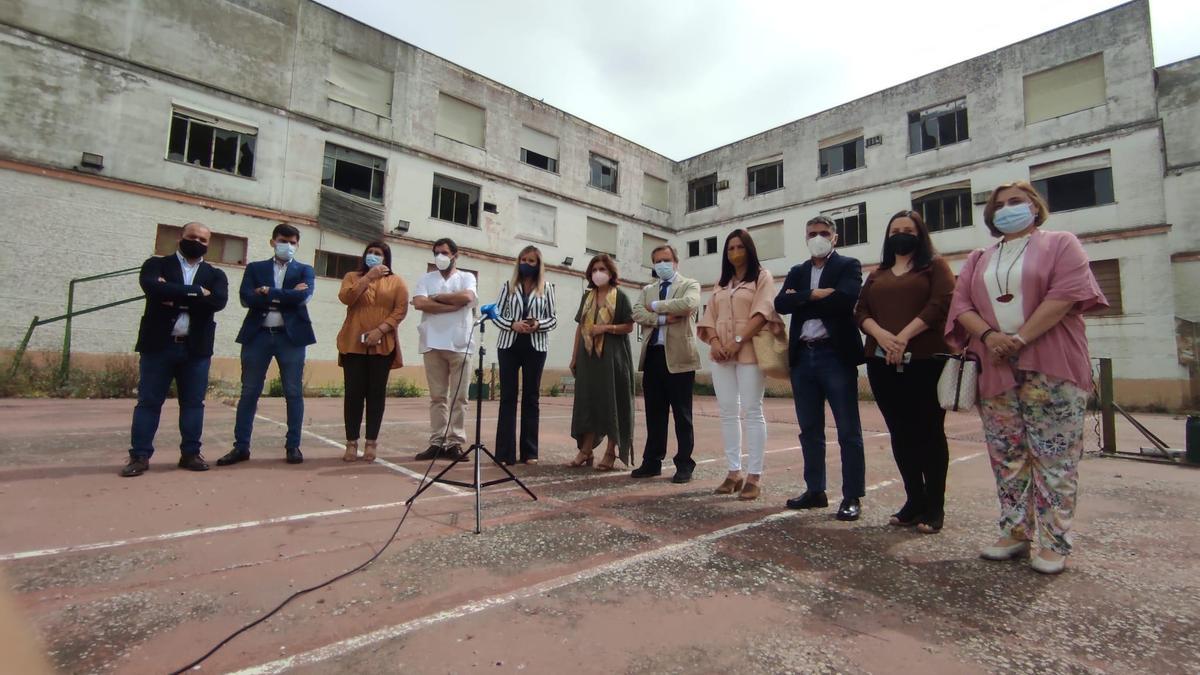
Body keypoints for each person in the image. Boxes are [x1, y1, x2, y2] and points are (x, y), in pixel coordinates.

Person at [946, 181, 1106, 575]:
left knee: (1055, 457)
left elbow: (1066, 294)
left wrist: (1020, 338)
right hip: (996, 366)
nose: (1006, 209)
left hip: (1050, 364)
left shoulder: (1061, 243)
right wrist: (990, 336)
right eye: (998, 204)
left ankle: (1055, 542)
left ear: (1035, 207)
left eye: (1016, 201)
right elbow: (961, 303)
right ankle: (1015, 532)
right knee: (1007, 455)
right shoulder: (980, 257)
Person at [855, 211, 955, 533]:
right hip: (881, 361)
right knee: (900, 432)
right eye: (895, 230)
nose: (901, 235)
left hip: (926, 360)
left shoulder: (934, 266)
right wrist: (882, 337)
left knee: (929, 432)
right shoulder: (878, 272)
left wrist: (903, 336)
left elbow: (941, 303)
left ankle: (934, 507)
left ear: (920, 234)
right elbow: (860, 311)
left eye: (908, 230)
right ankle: (914, 500)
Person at [776, 215, 867, 520]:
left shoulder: (849, 266)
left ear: (834, 237)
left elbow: (844, 301)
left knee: (848, 431)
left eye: (823, 233)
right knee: (810, 430)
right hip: (803, 358)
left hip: (835, 356)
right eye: (812, 232)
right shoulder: (798, 271)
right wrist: (814, 295)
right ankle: (815, 490)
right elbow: (781, 304)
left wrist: (800, 300)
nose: (817, 237)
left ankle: (852, 496)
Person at [120, 222, 229, 477]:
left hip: (196, 350)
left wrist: (173, 295)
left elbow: (217, 301)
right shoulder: (156, 265)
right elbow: (153, 288)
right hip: (158, 346)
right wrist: (196, 293)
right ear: (181, 237)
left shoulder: (215, 275)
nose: (197, 242)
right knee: (148, 402)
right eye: (192, 237)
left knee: (193, 404)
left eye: (203, 240)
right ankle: (139, 456)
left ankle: (190, 453)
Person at [696, 229, 784, 500]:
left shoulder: (762, 276)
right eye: (730, 248)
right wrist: (714, 342)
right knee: (727, 412)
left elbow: (762, 312)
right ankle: (734, 472)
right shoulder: (721, 283)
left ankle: (754, 475)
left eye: (740, 247)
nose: (735, 252)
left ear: (749, 249)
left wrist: (736, 341)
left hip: (749, 352)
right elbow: (709, 315)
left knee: (752, 410)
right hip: (722, 354)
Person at [218, 224, 316, 467]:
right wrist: (284, 295)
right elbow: (246, 298)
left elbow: (302, 297)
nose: (288, 246)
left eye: (293, 242)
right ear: (273, 241)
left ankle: (293, 446)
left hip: (290, 338)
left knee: (293, 392)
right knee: (249, 392)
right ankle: (241, 447)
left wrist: (267, 292)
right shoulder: (255, 268)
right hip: (258, 336)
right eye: (284, 241)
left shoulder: (305, 270)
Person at [631, 244, 701, 483]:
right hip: (653, 357)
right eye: (657, 261)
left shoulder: (689, 284)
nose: (662, 264)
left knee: (682, 414)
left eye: (666, 260)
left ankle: (684, 463)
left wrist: (656, 306)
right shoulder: (648, 289)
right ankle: (652, 461)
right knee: (654, 414)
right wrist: (663, 318)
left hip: (680, 358)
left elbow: (688, 305)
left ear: (675, 262)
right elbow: (637, 313)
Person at [336, 241, 409, 462]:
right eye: (370, 252)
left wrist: (380, 330)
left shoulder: (396, 282)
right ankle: (351, 443)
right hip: (353, 343)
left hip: (382, 344)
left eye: (378, 254)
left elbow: (400, 309)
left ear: (386, 259)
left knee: (376, 394)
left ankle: (371, 443)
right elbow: (346, 298)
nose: (373, 256)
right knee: (353, 394)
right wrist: (368, 277)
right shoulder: (352, 277)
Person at [411, 238, 477, 461]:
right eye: (436, 252)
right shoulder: (426, 278)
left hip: (460, 344)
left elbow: (467, 297)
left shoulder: (467, 277)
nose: (440, 256)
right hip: (432, 343)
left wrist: (437, 298)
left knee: (460, 397)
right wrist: (453, 305)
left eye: (445, 252)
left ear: (455, 255)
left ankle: (455, 443)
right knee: (438, 397)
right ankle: (437, 441)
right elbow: (419, 303)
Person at [491, 245, 558, 465]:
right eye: (523, 260)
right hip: (509, 345)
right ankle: (504, 453)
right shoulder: (508, 286)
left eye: (531, 261)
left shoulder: (547, 288)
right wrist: (512, 325)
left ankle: (530, 452)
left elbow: (553, 319)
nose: (527, 264)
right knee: (508, 397)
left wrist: (538, 324)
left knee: (531, 398)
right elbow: (496, 314)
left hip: (535, 347)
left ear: (538, 265)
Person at [568, 254, 635, 471]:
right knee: (588, 401)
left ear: (611, 273)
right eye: (595, 269)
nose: (598, 273)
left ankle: (611, 451)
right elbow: (580, 327)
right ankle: (586, 449)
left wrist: (606, 328)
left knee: (612, 402)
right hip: (588, 357)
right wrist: (574, 356)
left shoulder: (621, 296)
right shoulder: (587, 297)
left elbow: (628, 326)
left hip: (613, 357)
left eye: (603, 269)